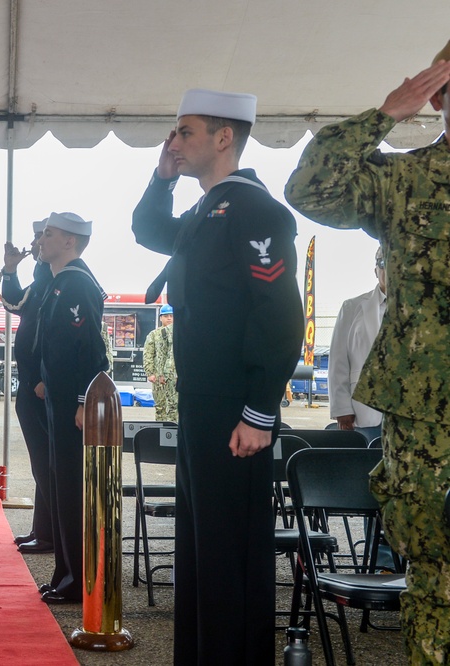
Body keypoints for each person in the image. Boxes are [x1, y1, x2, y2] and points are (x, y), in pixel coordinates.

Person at [284, 47, 450, 663]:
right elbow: (310, 189)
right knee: (437, 575)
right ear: (436, 96)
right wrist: (382, 117)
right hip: (430, 423)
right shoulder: (406, 180)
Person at [132, 89, 303, 664]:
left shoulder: (255, 210)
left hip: (236, 410)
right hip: (201, 403)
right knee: (200, 550)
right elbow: (147, 229)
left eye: (185, 132)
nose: (174, 142)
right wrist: (162, 176)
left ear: (223, 137)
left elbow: (281, 317)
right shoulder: (208, 210)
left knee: (231, 553)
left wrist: (260, 411)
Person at [35, 212, 108, 604]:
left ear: (70, 241)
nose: (41, 240)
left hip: (73, 405)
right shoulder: (60, 283)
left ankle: (77, 581)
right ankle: (65, 574)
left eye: (49, 234)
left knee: (72, 491)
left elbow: (91, 352)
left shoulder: (77, 283)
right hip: (59, 399)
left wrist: (82, 399)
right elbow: (58, 344)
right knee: (61, 488)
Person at [0, 217, 54, 553]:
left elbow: (61, 338)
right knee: (42, 466)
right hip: (32, 386)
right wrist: (9, 269)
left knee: (49, 467)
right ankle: (43, 531)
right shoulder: (42, 279)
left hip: (43, 388)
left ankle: (51, 535)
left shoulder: (56, 279)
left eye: (41, 237)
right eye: (35, 237)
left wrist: (46, 378)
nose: (34, 244)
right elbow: (13, 302)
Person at [328, 247, 386, 444]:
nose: (389, 269)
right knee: (367, 468)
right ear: (375, 270)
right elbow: (338, 362)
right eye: (382, 263)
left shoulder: (423, 309)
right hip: (364, 410)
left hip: (412, 409)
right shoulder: (352, 307)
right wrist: (342, 408)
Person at [142, 304, 178, 422]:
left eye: (172, 316)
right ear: (160, 318)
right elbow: (148, 355)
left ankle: (173, 430)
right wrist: (150, 373)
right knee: (160, 406)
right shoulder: (154, 335)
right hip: (158, 377)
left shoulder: (179, 334)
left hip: (175, 377)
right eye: (166, 316)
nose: (169, 318)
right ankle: (160, 429)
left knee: (174, 406)